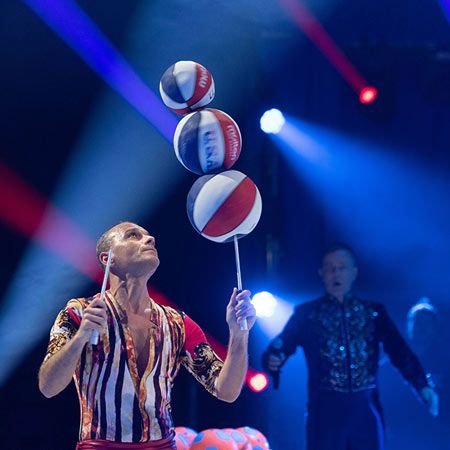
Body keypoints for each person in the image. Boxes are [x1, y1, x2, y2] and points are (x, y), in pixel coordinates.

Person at [39, 222, 256, 450]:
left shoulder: (178, 323)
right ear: (108, 259)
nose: (149, 239)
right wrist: (81, 336)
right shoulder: (79, 313)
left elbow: (226, 390)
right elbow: (48, 386)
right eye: (134, 236)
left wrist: (239, 334)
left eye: (149, 236)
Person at [262, 243, 438, 450]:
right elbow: (282, 344)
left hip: (365, 408)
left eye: (342, 267)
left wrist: (422, 385)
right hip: (324, 410)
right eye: (330, 268)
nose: (336, 273)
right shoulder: (307, 314)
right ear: (322, 273)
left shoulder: (374, 313)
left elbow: (400, 352)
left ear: (354, 273)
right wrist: (274, 358)